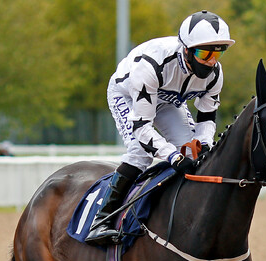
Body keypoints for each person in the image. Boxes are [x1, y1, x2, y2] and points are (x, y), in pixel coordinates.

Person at [85, 10, 234, 245]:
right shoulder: (154, 64)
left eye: (218, 53)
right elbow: (143, 128)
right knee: (140, 153)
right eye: (205, 53)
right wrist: (173, 157)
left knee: (192, 152)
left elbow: (206, 119)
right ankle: (101, 219)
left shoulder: (215, 74)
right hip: (128, 96)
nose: (212, 61)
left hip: (169, 102)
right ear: (186, 50)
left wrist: (204, 144)